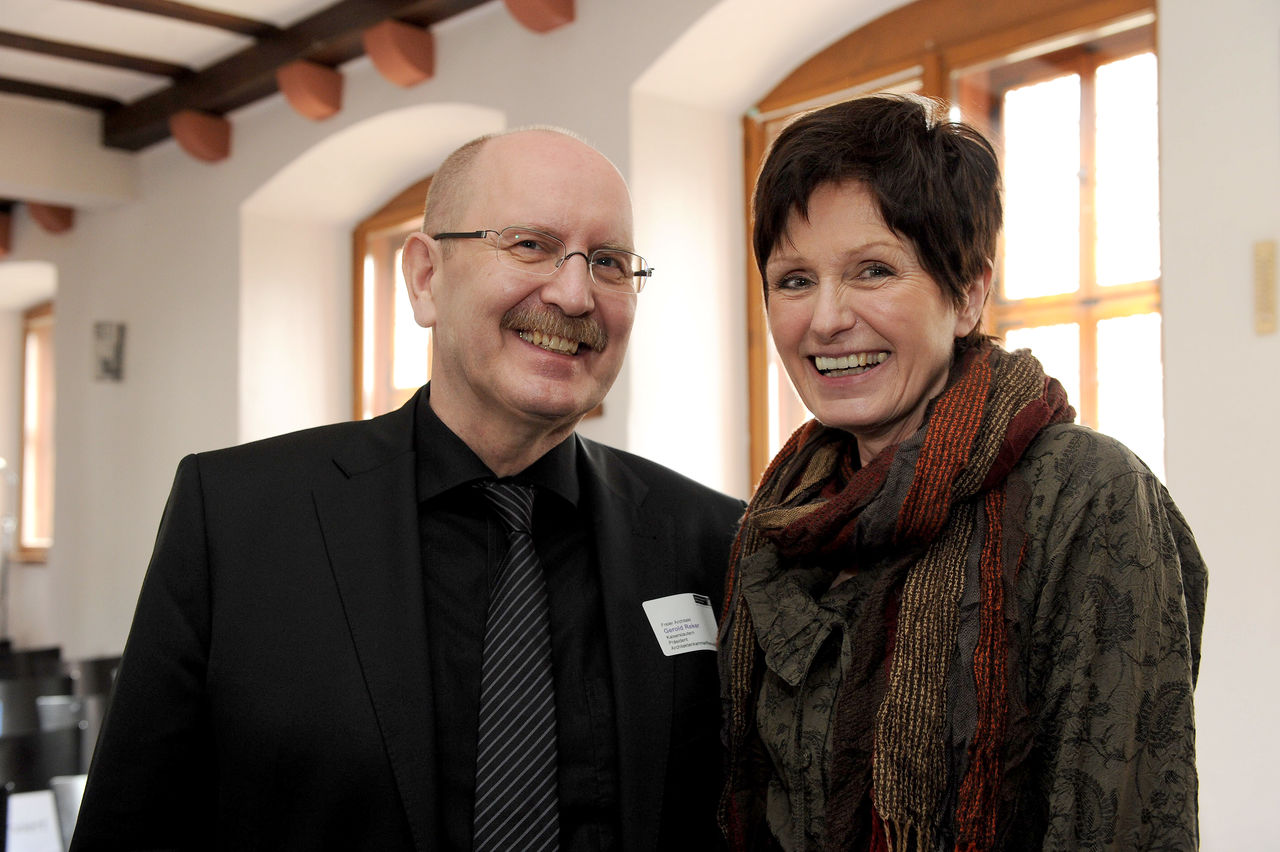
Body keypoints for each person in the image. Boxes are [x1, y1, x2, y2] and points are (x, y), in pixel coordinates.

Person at [71, 127, 744, 851]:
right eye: (529, 245)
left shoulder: (710, 537)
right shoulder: (237, 517)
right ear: (426, 278)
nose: (574, 293)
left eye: (609, 262)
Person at [718, 94, 1206, 851]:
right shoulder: (779, 519)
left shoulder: (1083, 493)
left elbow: (1119, 823)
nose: (825, 319)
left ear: (969, 292)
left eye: (873, 270)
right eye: (794, 280)